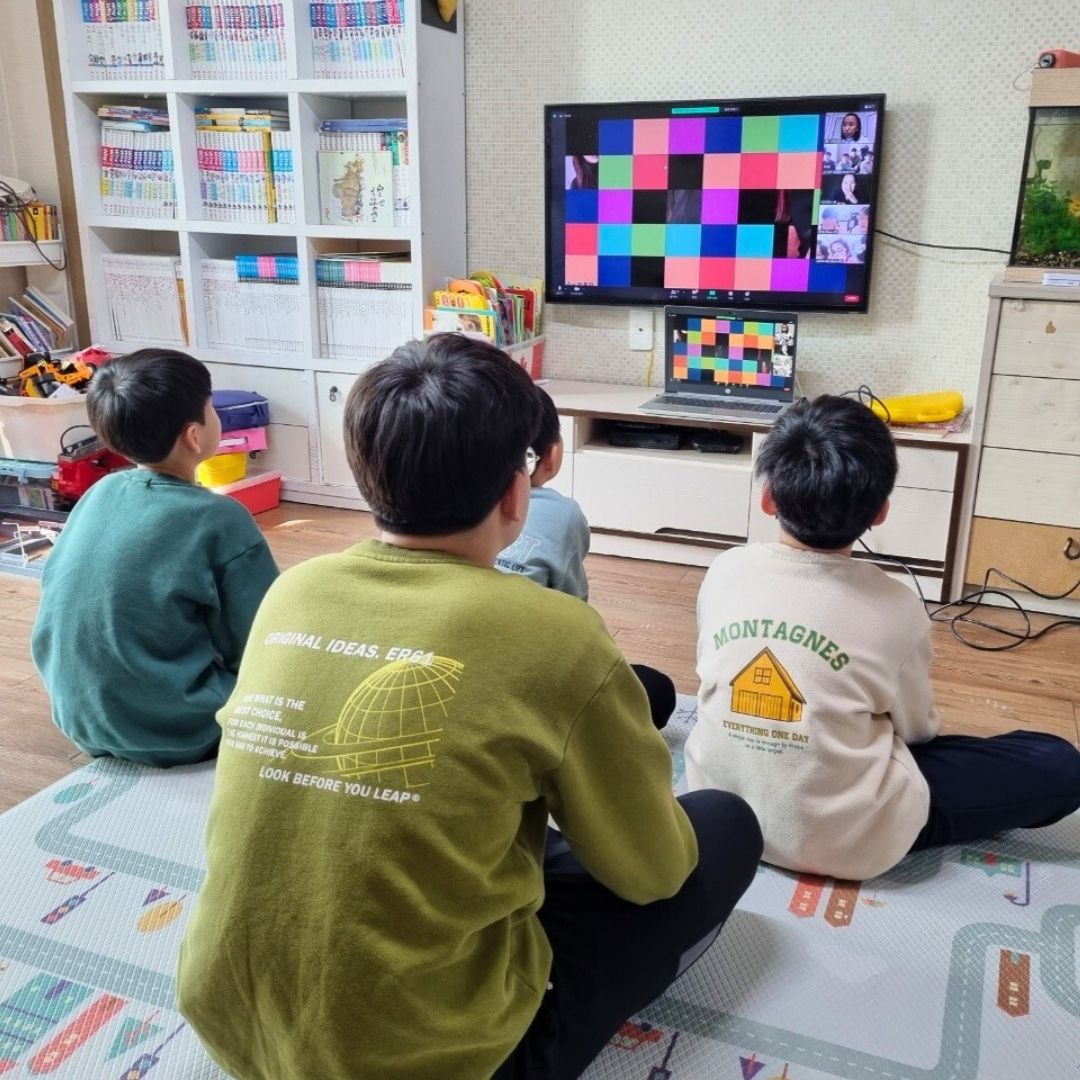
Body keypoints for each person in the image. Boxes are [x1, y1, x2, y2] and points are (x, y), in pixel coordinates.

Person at [177, 333, 762, 1080]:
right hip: (437, 1058)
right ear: (518, 491)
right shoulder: (556, 634)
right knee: (724, 826)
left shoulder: (293, 589)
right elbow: (651, 873)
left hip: (229, 1019)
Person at [685, 395, 1080, 882]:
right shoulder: (896, 606)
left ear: (768, 498)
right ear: (881, 512)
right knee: (1057, 763)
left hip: (722, 813)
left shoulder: (724, 569)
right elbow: (918, 732)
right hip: (850, 840)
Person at [31, 349, 279, 766]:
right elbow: (263, 639)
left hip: (80, 718)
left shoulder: (99, 493)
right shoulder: (219, 518)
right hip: (182, 729)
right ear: (194, 435)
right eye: (211, 406)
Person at [495, 388, 679, 730]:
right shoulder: (560, 514)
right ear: (549, 454)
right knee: (657, 691)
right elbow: (577, 621)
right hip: (538, 699)